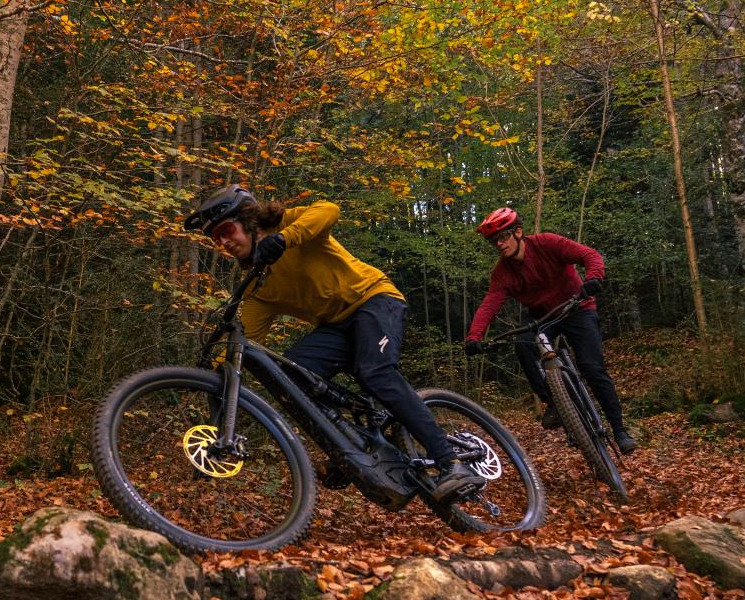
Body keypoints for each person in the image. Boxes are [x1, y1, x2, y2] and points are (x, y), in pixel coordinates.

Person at [185, 184, 483, 504]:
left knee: (376, 373)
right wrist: (215, 373)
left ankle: (450, 462)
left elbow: (328, 209)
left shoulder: (287, 224)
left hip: (373, 300)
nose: (224, 242)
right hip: (336, 326)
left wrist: (284, 239)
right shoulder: (260, 284)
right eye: (216, 238)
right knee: (290, 374)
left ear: (248, 219)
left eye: (226, 230)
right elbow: (248, 343)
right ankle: (351, 445)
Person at [463, 207, 638, 454]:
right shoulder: (502, 273)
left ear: (519, 232)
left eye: (503, 237)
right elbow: (490, 303)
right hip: (543, 318)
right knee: (523, 346)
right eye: (494, 241)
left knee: (593, 369)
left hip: (577, 308)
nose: (499, 244)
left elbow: (590, 255)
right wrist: (474, 336)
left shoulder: (548, 243)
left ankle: (620, 430)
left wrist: (593, 278)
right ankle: (554, 402)